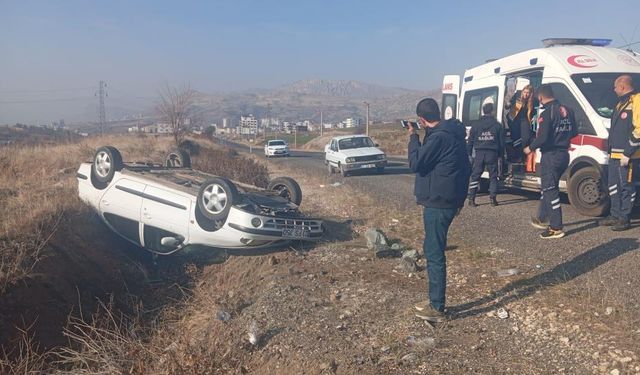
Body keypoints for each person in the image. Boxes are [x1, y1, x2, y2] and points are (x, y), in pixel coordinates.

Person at [407, 98, 471, 322]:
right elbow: (466, 167)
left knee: (433, 253)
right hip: (449, 200)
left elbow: (416, 164)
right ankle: (435, 301)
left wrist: (413, 138)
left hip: (438, 202)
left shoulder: (440, 138)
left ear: (422, 120)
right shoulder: (453, 134)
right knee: (435, 249)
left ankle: (437, 307)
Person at [524, 84, 578, 239]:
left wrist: (530, 148)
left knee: (550, 189)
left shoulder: (547, 113)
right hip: (564, 155)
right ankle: (542, 218)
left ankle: (556, 227)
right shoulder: (568, 110)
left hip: (551, 155)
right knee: (548, 187)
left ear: (540, 97)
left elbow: (542, 137)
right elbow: (574, 131)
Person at [598, 75, 640, 231]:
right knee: (613, 186)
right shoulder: (620, 103)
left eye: (615, 87)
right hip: (614, 154)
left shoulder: (636, 101)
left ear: (622, 86)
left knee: (626, 187)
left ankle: (625, 217)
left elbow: (639, 129)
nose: (614, 90)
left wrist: (628, 152)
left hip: (628, 156)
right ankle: (615, 214)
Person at [467, 102, 504, 207]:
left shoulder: (476, 124)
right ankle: (493, 199)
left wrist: (469, 152)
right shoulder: (497, 126)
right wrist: (501, 155)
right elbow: (501, 143)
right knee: (493, 177)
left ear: (483, 111)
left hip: (479, 153)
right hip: (492, 153)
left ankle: (471, 199)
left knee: (475, 176)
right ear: (492, 111)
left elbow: (470, 140)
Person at [505, 85, 536, 163]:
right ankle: (518, 157)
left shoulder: (533, 101)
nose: (525, 94)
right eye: (524, 92)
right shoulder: (517, 96)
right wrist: (508, 104)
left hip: (525, 120)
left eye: (528, 93)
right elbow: (508, 105)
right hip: (514, 120)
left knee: (525, 138)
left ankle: (522, 156)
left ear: (531, 94)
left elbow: (535, 112)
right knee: (515, 139)